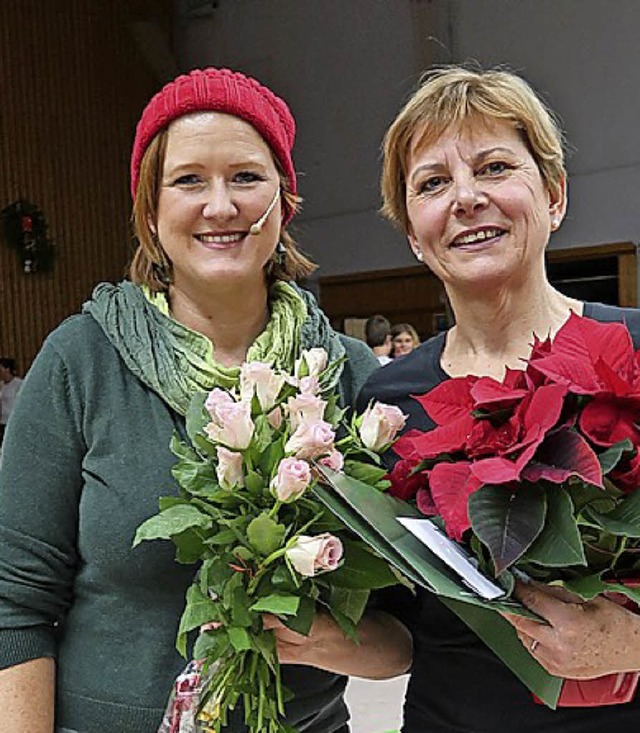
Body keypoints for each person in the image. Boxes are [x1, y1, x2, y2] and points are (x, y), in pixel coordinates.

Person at [0, 67, 407, 733]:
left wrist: (322, 639)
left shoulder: (351, 378)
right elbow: (14, 601)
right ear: (150, 212)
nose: (221, 205)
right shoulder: (82, 361)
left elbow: (410, 629)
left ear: (286, 202)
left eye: (246, 177)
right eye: (189, 180)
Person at [354, 65, 640, 732]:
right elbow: (398, 626)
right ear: (413, 235)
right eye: (432, 183)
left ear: (555, 195)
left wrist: (629, 642)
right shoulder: (387, 399)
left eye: (494, 167)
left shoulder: (633, 349)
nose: (466, 197)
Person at [0, 357, 23, 445]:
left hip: (12, 420)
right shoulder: (1, 385)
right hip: (2, 421)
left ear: (7, 369)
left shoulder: (19, 383)